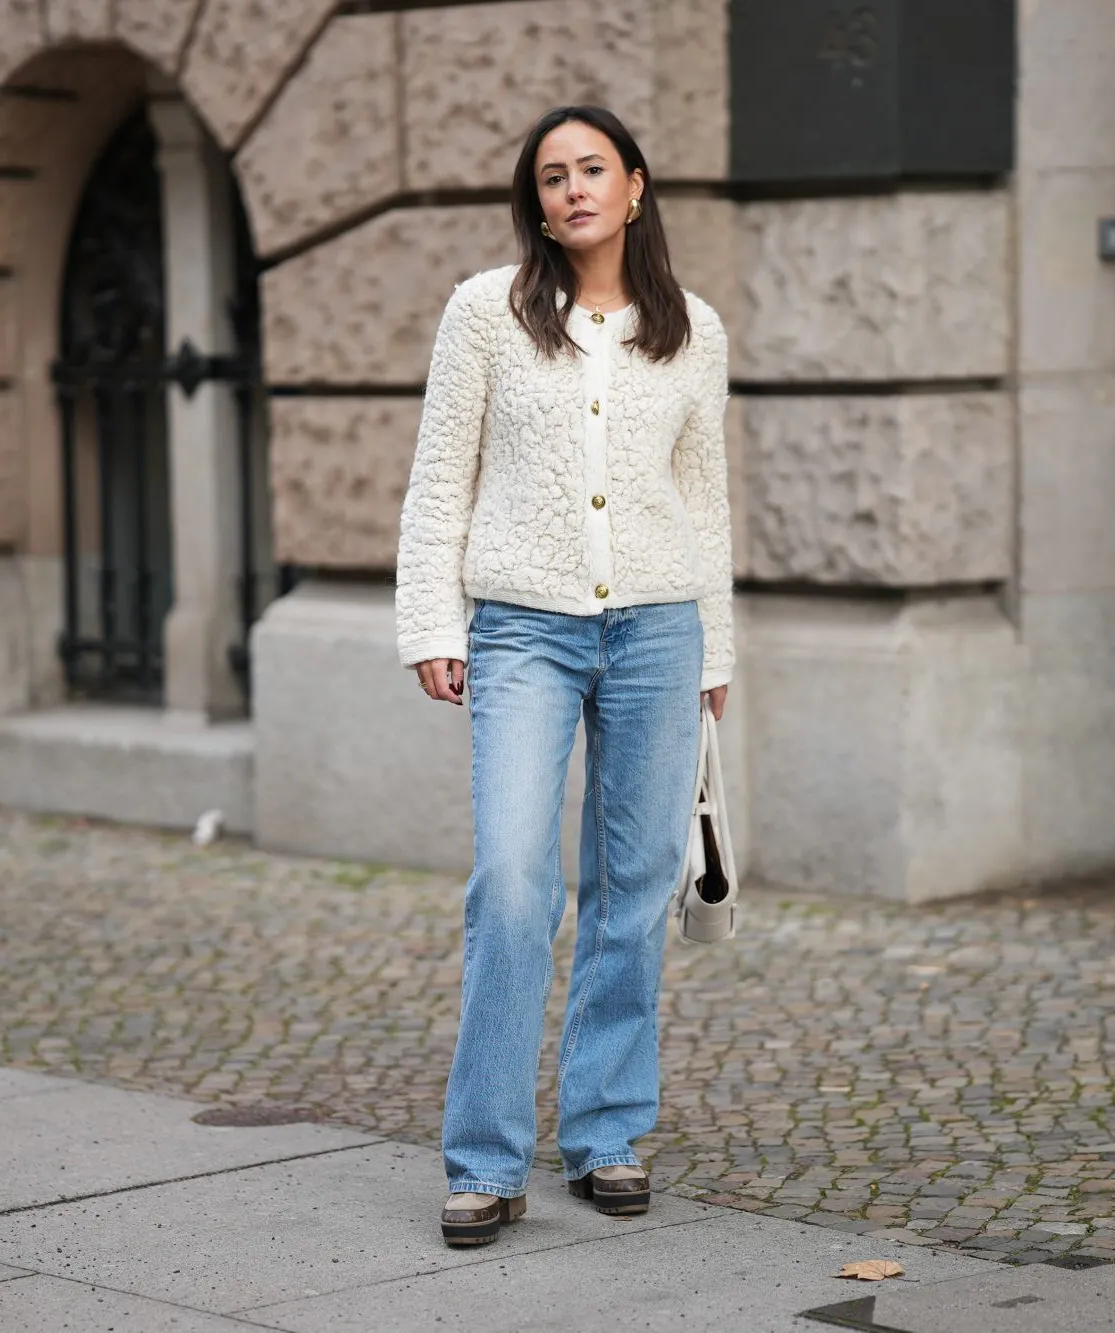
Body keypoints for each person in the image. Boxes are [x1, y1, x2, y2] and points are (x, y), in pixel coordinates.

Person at [394, 104, 734, 1246]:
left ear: (634, 187)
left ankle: (603, 1133)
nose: (571, 189)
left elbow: (706, 501)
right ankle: (484, 1160)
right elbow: (442, 475)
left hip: (656, 630)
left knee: (631, 892)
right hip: (522, 632)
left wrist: (714, 652)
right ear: (533, 199)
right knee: (510, 881)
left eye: (592, 169)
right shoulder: (485, 313)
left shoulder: (693, 330)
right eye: (551, 175)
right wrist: (431, 621)